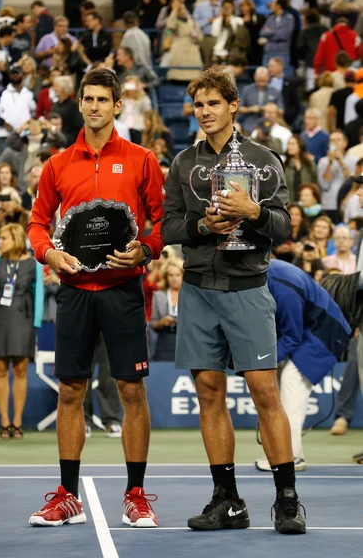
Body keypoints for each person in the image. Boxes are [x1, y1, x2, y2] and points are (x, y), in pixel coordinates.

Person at [161, 66, 306, 534]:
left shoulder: (265, 160)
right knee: (209, 393)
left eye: (213, 104)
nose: (205, 112)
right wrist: (202, 226)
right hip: (199, 289)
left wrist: (255, 212)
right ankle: (228, 501)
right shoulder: (184, 162)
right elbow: (167, 228)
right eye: (199, 105)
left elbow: (284, 228)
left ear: (233, 105)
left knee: (265, 393)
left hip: (248, 289)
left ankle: (287, 501)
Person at [27, 68, 164, 527]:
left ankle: (137, 494)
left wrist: (146, 248)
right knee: (71, 391)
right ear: (80, 103)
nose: (94, 106)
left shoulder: (142, 159)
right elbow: (37, 223)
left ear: (118, 105)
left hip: (124, 290)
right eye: (88, 99)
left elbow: (164, 221)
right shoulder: (57, 164)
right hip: (74, 292)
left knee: (132, 391)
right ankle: (67, 494)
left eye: (103, 99)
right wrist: (49, 255)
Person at [255, 260, 351, 471]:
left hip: (325, 332)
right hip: (307, 329)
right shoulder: (262, 273)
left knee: (291, 380)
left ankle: (291, 456)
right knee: (277, 384)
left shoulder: (283, 286)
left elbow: (292, 335)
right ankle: (278, 451)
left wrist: (261, 362)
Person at [0, 220, 44, 438]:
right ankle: (4, 422)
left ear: (16, 239)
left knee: (20, 370)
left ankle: (17, 422)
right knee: (0, 370)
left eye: (5, 238)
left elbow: (38, 296)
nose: (0, 242)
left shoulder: (34, 264)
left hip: (24, 319)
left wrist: (36, 323)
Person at [151, 258, 184, 361]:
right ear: (166, 277)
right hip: (164, 342)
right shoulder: (158, 296)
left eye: (177, 275)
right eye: (171, 275)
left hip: (184, 342)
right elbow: (153, 324)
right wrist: (161, 322)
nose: (174, 278)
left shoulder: (189, 297)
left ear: (183, 276)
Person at [239, 66, 283, 133]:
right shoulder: (247, 89)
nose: (262, 81)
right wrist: (251, 109)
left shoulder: (275, 91)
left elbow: (281, 111)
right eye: (259, 79)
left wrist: (269, 109)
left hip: (270, 125)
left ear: (268, 77)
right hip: (250, 125)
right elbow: (239, 109)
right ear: (255, 77)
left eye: (264, 79)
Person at [118, 75, 151, 145]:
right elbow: (116, 110)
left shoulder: (142, 98)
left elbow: (148, 111)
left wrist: (141, 91)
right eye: (128, 85)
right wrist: (120, 91)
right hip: (123, 126)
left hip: (137, 128)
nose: (130, 88)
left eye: (132, 85)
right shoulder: (121, 98)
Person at [284, 135, 317, 202]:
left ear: (300, 146)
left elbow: (314, 183)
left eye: (293, 144)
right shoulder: (285, 165)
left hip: (307, 202)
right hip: (290, 203)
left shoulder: (309, 164)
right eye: (289, 144)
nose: (289, 147)